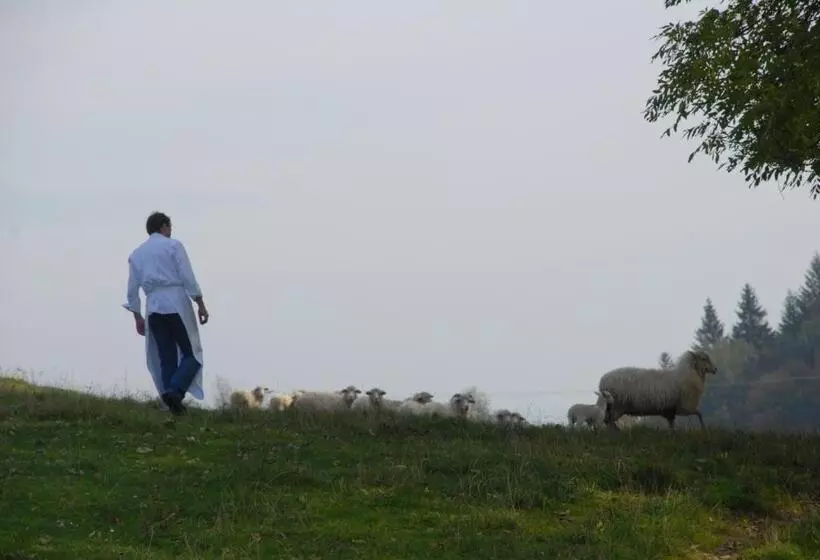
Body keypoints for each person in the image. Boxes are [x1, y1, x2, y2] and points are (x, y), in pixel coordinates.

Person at [122, 211, 210, 415]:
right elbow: (187, 276)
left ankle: (170, 402)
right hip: (175, 301)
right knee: (192, 354)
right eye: (169, 227)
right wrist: (200, 302)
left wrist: (137, 316)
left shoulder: (137, 254)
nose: (171, 231)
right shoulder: (173, 246)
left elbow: (132, 288)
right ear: (163, 226)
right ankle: (175, 391)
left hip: (153, 306)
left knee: (166, 355)